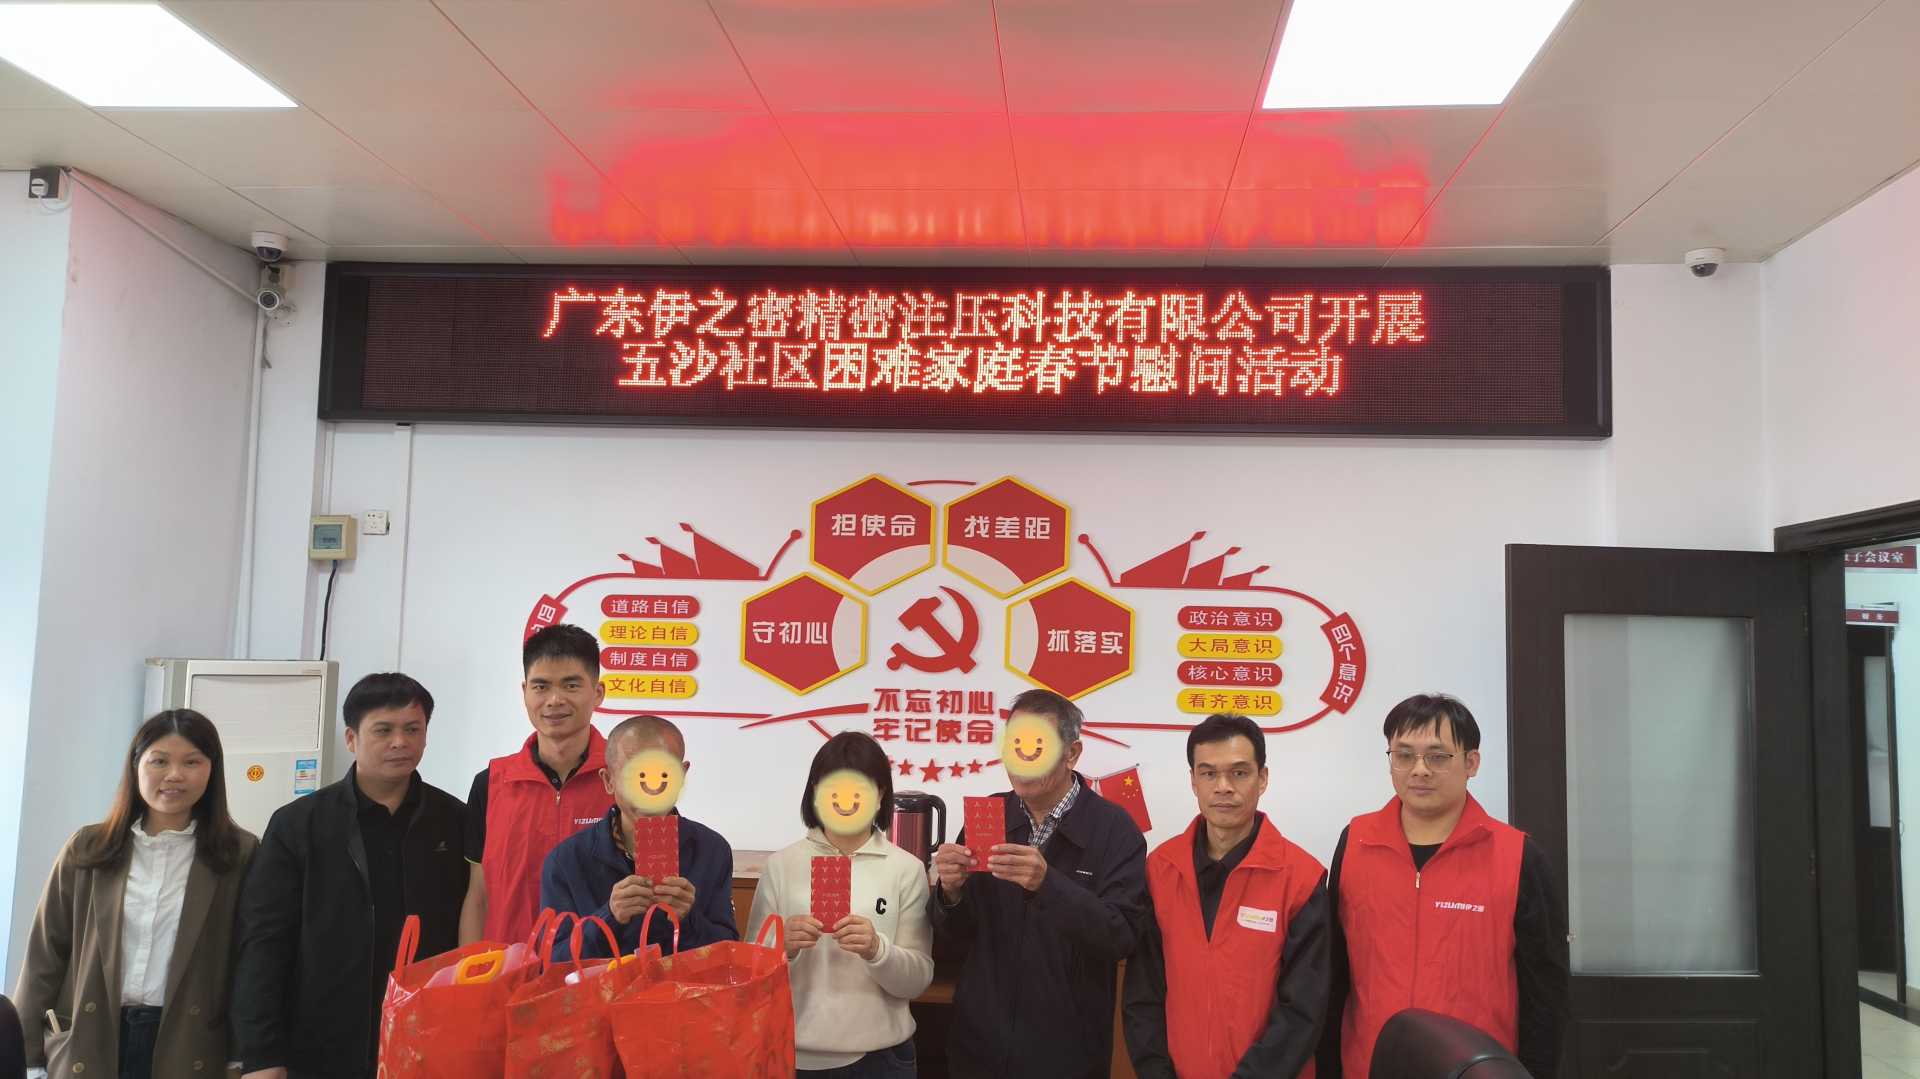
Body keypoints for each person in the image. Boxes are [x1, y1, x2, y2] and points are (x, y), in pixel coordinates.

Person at [1317, 694, 1570, 1078]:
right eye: (1404, 755)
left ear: (1471, 763)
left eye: (1437, 757)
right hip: (1369, 1066)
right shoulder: (1356, 842)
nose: (1419, 770)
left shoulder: (1518, 856)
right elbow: (1334, 971)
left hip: (1477, 1071)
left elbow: (1545, 993)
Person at [233, 673, 468, 1079]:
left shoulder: (455, 821)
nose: (400, 742)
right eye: (383, 730)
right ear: (351, 738)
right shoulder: (299, 825)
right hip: (322, 1042)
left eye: (413, 729)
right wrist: (261, 1054)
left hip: (426, 1041)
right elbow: (264, 943)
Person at [13, 710, 257, 1079]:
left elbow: (249, 964)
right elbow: (45, 955)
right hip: (91, 1039)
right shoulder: (88, 847)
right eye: (159, 761)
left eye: (192, 762)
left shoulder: (239, 853)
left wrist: (242, 1056)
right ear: (136, 766)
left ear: (212, 770)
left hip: (188, 1044)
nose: (174, 775)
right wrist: (27, 1058)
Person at [929, 688, 1149, 1079]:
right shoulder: (990, 813)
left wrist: (1049, 884)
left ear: (1072, 753)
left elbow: (1121, 936)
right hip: (979, 1046)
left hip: (1066, 1054)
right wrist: (950, 892)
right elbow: (959, 938)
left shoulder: (1115, 829)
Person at [1124, 714, 1329, 1079]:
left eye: (1239, 773)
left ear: (1262, 778)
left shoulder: (1301, 879)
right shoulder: (1160, 869)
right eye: (1209, 773)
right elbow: (1144, 993)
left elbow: (1303, 1010)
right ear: (1193, 781)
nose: (1223, 787)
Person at [746, 732, 934, 1076]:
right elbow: (749, 972)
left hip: (878, 1059)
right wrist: (781, 946)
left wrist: (877, 950)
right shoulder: (781, 865)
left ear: (880, 794)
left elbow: (917, 979)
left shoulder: (906, 869)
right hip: (789, 1052)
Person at [462, 624, 614, 946]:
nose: (554, 700)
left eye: (571, 685)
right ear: (525, 692)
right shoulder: (490, 783)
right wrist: (470, 970)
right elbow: (478, 896)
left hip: (598, 968)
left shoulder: (627, 781)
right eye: (541, 687)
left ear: (598, 692)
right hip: (506, 967)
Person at [540, 714, 737, 958]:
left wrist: (688, 919)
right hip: (603, 985)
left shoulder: (711, 850)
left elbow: (729, 952)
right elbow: (552, 961)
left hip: (685, 984)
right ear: (608, 780)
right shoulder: (566, 860)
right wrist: (609, 916)